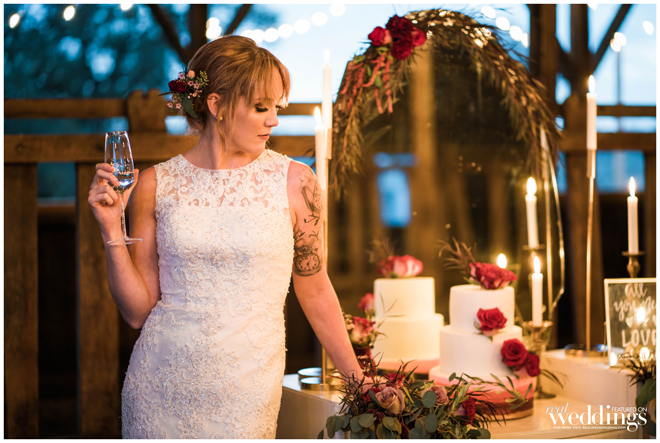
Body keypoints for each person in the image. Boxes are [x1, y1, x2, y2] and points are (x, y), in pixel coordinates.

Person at [88, 35, 364, 438]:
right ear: (216, 105)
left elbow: (316, 289)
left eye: (277, 107)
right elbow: (136, 312)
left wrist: (359, 384)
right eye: (261, 107)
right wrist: (111, 230)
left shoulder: (296, 182)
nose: (274, 120)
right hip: (158, 387)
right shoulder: (154, 184)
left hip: (247, 391)